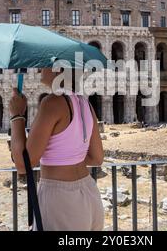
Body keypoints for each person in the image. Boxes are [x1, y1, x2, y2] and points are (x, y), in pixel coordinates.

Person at [8, 68, 104, 231]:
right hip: (89, 193)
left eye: (44, 64)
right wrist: (63, 155)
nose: (39, 69)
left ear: (58, 68)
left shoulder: (52, 103)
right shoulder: (85, 103)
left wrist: (17, 115)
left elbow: (23, 164)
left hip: (60, 198)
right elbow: (96, 158)